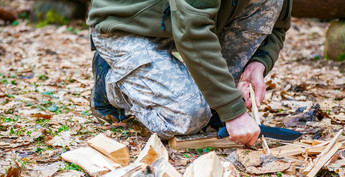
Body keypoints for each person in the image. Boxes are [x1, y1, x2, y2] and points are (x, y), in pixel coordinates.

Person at [87, 0, 292, 146]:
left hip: (179, 22)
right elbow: (192, 31)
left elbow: (278, 20)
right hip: (126, 25)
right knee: (186, 117)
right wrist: (234, 111)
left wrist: (259, 62)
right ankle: (108, 82)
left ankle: (214, 105)